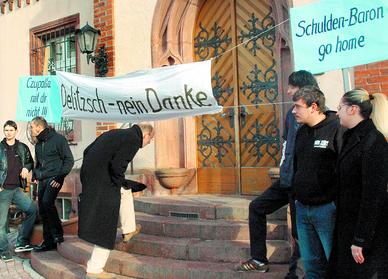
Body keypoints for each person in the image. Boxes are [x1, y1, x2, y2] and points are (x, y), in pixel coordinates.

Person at [236, 70, 318, 278]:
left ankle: (297, 272)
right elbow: (286, 145)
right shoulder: (292, 114)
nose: (288, 90)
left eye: (291, 86)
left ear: (302, 87)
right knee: (257, 207)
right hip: (286, 179)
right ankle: (258, 259)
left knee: (299, 231)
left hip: (303, 184)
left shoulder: (317, 114)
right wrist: (283, 171)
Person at [326, 89, 388, 279]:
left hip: (366, 235)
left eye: (340, 108)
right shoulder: (351, 136)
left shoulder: (374, 141)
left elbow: (373, 196)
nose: (337, 113)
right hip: (347, 226)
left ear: (353, 109)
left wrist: (360, 240)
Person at [79, 123, 154, 279]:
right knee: (107, 224)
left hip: (92, 178)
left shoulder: (118, 133)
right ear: (145, 135)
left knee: (125, 190)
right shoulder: (133, 139)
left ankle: (129, 229)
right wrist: (115, 181)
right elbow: (117, 166)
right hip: (102, 182)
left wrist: (117, 182)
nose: (147, 144)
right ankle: (94, 269)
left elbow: (87, 151)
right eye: (150, 141)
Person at [292, 86, 344, 279]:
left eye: (298, 106)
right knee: (312, 267)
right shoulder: (301, 132)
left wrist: (336, 204)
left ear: (313, 107)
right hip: (302, 210)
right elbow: (296, 170)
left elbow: (344, 171)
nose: (293, 111)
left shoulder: (337, 128)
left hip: (327, 211)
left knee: (335, 264)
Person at [30, 116, 74, 252]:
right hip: (42, 179)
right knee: (42, 208)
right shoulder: (38, 143)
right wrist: (35, 175)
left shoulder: (58, 139)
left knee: (47, 202)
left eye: (32, 127)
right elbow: (38, 163)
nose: (31, 129)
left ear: (39, 127)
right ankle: (48, 241)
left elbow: (69, 160)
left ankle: (57, 234)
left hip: (55, 178)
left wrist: (60, 177)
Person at [0, 120, 36, 262]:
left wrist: (26, 167)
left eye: (11, 130)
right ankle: (3, 250)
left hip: (16, 189)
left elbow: (30, 162)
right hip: (3, 190)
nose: (8, 133)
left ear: (16, 131)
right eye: (6, 130)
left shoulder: (22, 147)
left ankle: (21, 241)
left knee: (32, 209)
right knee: (2, 222)